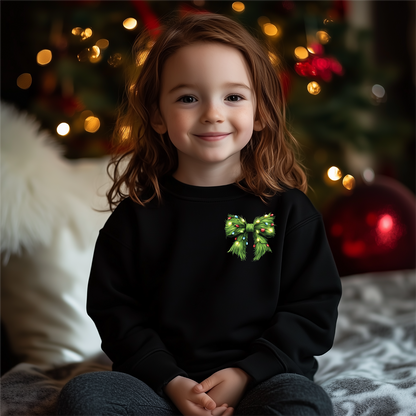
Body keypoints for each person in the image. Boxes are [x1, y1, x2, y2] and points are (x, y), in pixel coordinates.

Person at [57, 12, 341, 416]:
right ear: (157, 115)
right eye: (188, 98)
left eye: (234, 97)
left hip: (262, 382)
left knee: (305, 404)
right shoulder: (135, 220)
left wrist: (246, 373)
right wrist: (170, 382)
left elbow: (313, 307)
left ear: (260, 112)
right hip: (157, 388)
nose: (212, 113)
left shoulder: (289, 210)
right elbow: (116, 313)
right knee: (84, 397)